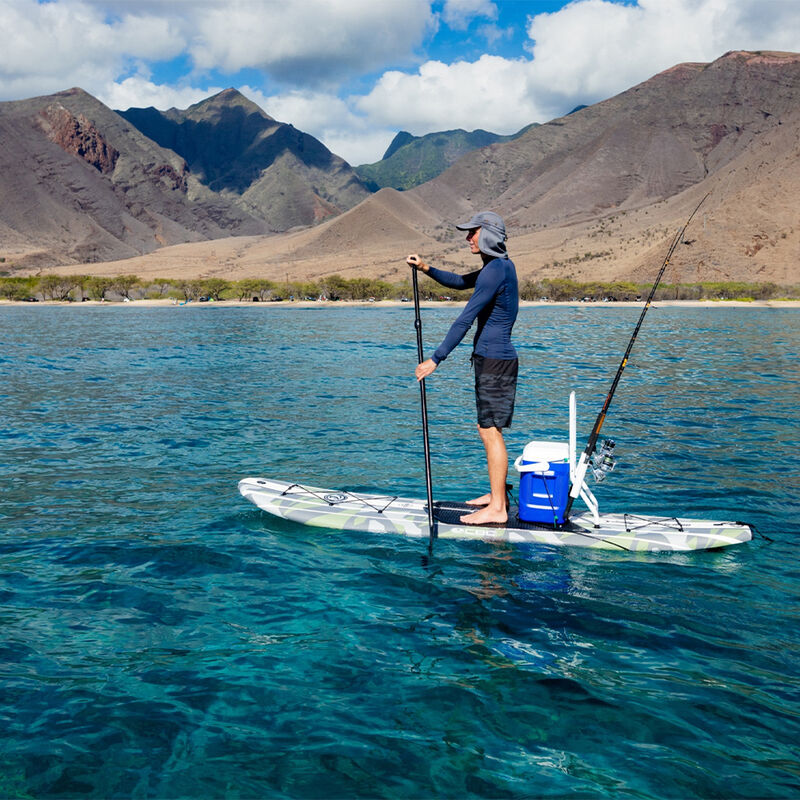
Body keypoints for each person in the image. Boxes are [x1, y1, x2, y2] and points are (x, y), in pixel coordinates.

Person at [407, 211, 519, 525]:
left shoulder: (495, 270)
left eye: (474, 233)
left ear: (489, 236)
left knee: (489, 431)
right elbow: (459, 282)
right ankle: (498, 494)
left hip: (496, 363)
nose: (468, 238)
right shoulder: (495, 268)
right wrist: (426, 267)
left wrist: (436, 358)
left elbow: (464, 319)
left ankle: (497, 507)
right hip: (492, 361)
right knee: (489, 429)